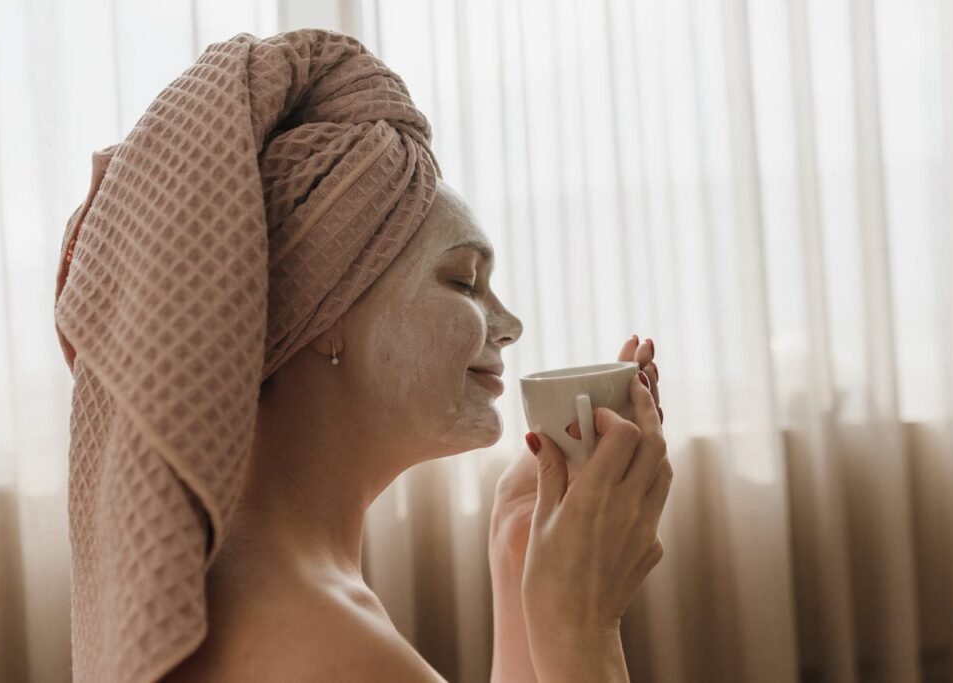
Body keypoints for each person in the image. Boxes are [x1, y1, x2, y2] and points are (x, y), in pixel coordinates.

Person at [161, 179, 670, 682]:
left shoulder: (270, 582)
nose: (511, 324)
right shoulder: (332, 652)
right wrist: (581, 628)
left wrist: (515, 553)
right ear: (325, 311)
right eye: (465, 282)